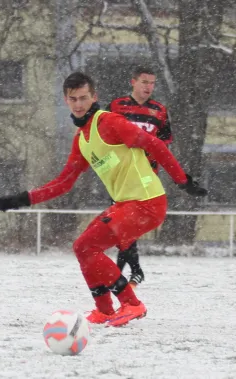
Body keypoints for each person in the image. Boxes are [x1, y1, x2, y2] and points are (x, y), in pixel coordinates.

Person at [0, 72, 207, 327]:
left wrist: (182, 181)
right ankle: (104, 310)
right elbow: (63, 184)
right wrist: (21, 199)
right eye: (73, 99)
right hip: (126, 204)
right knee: (81, 248)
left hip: (147, 202)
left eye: (84, 98)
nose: (79, 104)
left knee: (87, 246)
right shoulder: (82, 139)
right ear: (66, 100)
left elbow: (155, 145)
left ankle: (132, 304)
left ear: (94, 97)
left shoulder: (109, 122)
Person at [107, 65, 172, 288]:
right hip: (121, 176)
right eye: (144, 82)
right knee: (121, 226)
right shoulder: (116, 106)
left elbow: (164, 143)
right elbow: (103, 135)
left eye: (152, 83)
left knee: (126, 225)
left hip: (146, 178)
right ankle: (132, 272)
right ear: (133, 82)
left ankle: (123, 273)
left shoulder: (160, 111)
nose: (149, 87)